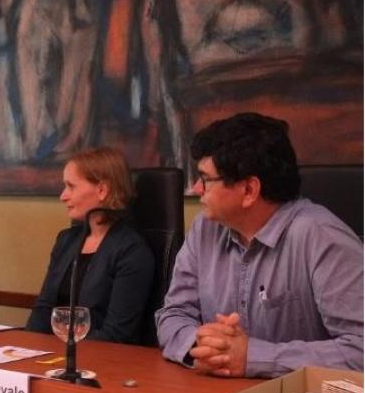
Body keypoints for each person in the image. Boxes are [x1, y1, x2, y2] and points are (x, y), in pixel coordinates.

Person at [156, 113, 363, 378]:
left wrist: (252, 357)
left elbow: (359, 348)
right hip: (213, 392)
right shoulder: (204, 229)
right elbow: (173, 314)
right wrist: (203, 347)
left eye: (205, 178)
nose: (196, 188)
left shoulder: (322, 237)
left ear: (249, 191)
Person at [26, 147, 155, 344]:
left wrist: (64, 354)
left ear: (102, 190)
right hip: (53, 353)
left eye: (71, 186)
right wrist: (28, 349)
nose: (63, 196)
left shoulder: (132, 251)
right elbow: (44, 309)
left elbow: (117, 333)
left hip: (100, 357)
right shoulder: (66, 240)